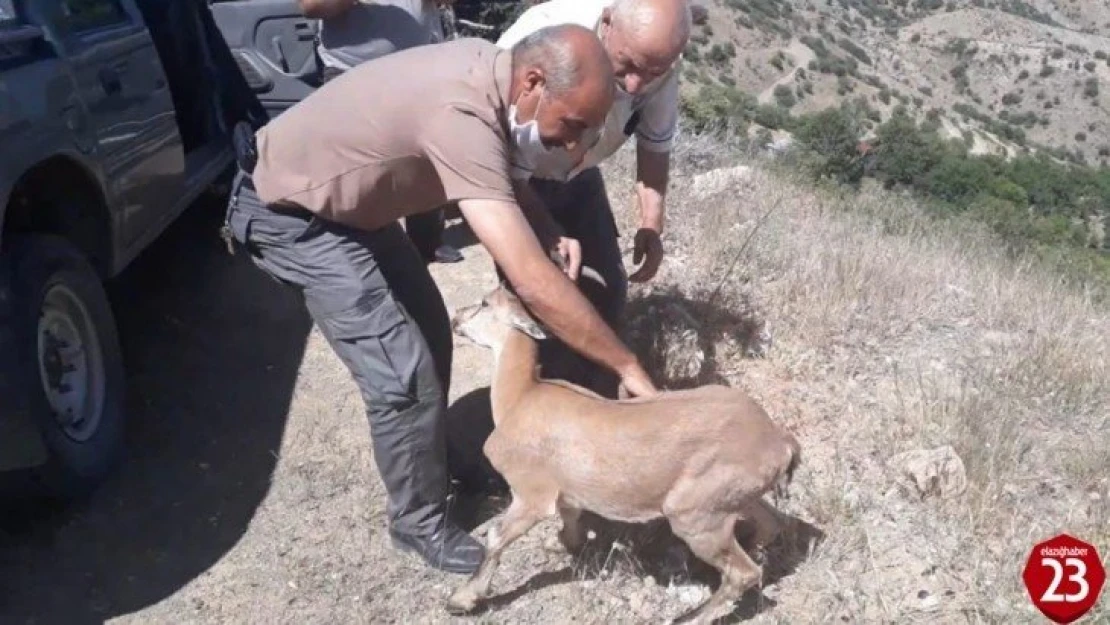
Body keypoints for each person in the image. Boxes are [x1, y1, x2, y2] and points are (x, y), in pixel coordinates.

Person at [221, 24, 658, 576]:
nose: (572, 147)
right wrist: (625, 363)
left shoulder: (493, 79)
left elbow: (494, 170)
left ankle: (436, 464)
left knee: (429, 327)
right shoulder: (462, 110)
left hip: (353, 211)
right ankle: (417, 520)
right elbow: (528, 278)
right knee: (401, 373)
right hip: (291, 214)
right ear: (532, 83)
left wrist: (545, 224)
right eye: (570, 127)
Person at [495, 0, 691, 399]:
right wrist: (544, 228)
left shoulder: (658, 64)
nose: (635, 84)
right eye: (628, 65)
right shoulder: (543, 35)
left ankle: (598, 404)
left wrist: (651, 225)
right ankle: (536, 404)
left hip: (580, 176)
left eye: (651, 72)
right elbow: (493, 147)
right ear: (606, 23)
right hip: (517, 179)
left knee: (608, 289)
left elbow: (654, 150)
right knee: (540, 297)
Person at [299, 0, 464, 264]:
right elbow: (311, 7)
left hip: (418, 67)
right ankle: (366, 249)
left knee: (427, 160)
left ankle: (426, 242)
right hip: (353, 73)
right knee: (358, 171)